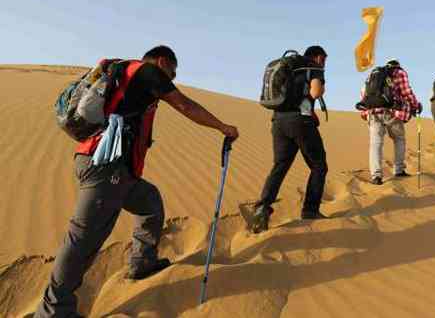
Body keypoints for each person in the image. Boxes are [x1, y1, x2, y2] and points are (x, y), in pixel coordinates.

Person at [35, 45, 239, 318]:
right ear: (163, 61)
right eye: (173, 73)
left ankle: (142, 262)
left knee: (149, 203)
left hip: (118, 170)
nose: (172, 78)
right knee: (83, 238)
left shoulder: (126, 74)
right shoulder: (148, 71)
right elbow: (185, 105)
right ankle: (53, 310)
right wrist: (223, 127)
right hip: (106, 167)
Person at [252, 45, 329, 234]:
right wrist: (319, 85)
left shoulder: (291, 66)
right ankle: (310, 210)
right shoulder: (313, 66)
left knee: (280, 165)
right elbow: (315, 93)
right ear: (318, 57)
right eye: (324, 59)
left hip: (278, 121)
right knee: (319, 165)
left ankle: (263, 207)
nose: (325, 63)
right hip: (300, 122)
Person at [359, 59, 422, 185]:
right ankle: (399, 170)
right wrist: (416, 105)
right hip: (392, 112)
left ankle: (376, 176)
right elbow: (407, 92)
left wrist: (365, 112)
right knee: (399, 139)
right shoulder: (399, 73)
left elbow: (363, 93)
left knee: (376, 144)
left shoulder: (373, 74)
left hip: (373, 112)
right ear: (397, 66)